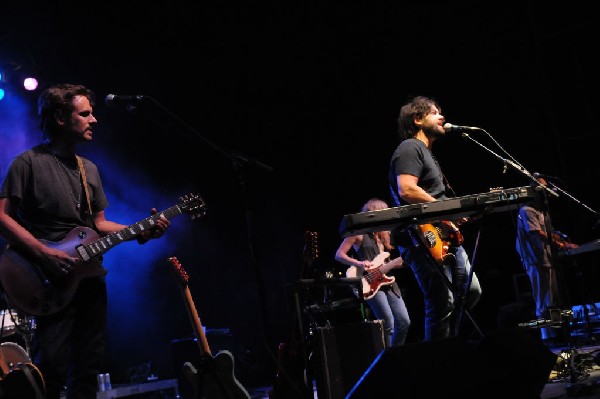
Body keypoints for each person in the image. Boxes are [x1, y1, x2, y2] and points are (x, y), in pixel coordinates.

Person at [0, 83, 171, 399]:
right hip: (46, 278)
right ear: (61, 118)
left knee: (88, 366)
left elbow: (99, 225)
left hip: (89, 277)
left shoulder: (88, 169)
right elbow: (1, 216)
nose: (94, 120)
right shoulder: (27, 163)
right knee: (50, 365)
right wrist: (43, 253)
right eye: (85, 113)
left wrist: (141, 230)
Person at [388, 95, 482, 341]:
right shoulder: (410, 147)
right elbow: (407, 189)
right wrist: (446, 210)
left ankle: (452, 347)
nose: (442, 117)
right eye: (434, 113)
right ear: (418, 119)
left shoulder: (429, 154)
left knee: (470, 291)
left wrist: (451, 217)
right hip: (419, 235)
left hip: (443, 234)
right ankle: (439, 364)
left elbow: (433, 197)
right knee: (442, 300)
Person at [335, 198, 410, 347]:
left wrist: (399, 263)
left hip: (386, 281)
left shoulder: (383, 235)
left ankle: (395, 352)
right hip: (369, 281)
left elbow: (383, 263)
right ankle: (387, 360)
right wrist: (359, 262)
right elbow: (339, 254)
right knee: (388, 321)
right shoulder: (359, 233)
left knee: (404, 321)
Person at [515, 176, 577, 343]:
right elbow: (535, 233)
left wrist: (563, 239)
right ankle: (548, 338)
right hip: (535, 260)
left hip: (548, 259)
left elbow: (549, 231)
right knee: (544, 300)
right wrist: (561, 245)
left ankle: (556, 333)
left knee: (554, 298)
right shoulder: (527, 210)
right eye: (543, 189)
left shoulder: (542, 211)